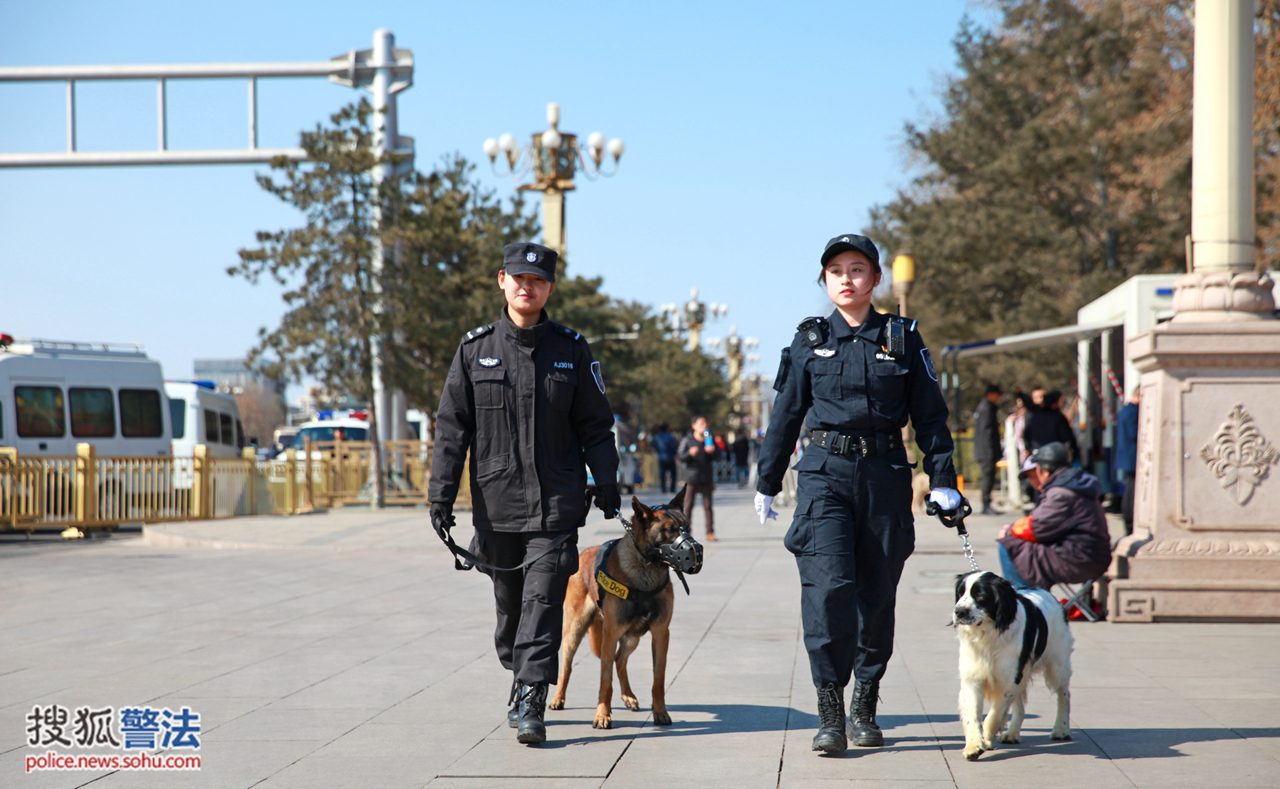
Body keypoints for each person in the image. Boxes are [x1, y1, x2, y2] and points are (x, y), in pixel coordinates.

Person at [753, 233, 960, 754]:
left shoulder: (902, 337)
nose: (847, 278)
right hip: (824, 476)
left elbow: (931, 417)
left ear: (875, 279)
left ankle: (863, 703)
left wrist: (943, 482)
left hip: (885, 475)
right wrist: (768, 480)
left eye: (858, 269)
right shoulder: (809, 339)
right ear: (824, 280)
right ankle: (830, 708)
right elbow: (786, 414)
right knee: (827, 590)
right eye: (837, 270)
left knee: (875, 593)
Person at [428, 242, 620, 746]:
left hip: (557, 504)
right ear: (502, 281)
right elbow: (452, 429)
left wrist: (607, 483)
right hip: (497, 504)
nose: (526, 286)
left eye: (537, 280)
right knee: (510, 606)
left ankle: (534, 693)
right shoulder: (474, 350)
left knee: (543, 597)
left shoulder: (571, 350)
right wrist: (440, 496)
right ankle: (520, 673)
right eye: (518, 278)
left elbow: (596, 427)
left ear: (549, 288)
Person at [997, 441, 1111, 590]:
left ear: (1044, 472)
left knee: (1008, 546)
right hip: (1087, 555)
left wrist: (1009, 531)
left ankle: (1025, 602)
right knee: (1029, 550)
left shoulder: (1061, 493)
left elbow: (1038, 527)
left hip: (1079, 559)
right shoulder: (1072, 485)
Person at [678, 415, 719, 541]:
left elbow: (719, 457)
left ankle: (710, 532)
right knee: (688, 506)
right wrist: (690, 454)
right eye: (701, 423)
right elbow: (680, 456)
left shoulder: (709, 439)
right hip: (692, 478)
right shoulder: (687, 440)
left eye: (705, 423)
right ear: (694, 426)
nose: (704, 426)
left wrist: (712, 452)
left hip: (706, 477)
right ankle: (685, 532)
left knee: (708, 507)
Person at [1024, 389, 1080, 462]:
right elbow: (1067, 437)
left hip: (1037, 454)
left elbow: (1027, 433)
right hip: (1056, 454)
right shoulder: (1058, 417)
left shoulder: (1034, 416)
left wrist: (1028, 448)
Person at [971, 383, 1002, 516]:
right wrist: (989, 451)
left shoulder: (986, 407)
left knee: (989, 477)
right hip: (986, 451)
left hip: (985, 449)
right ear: (991, 395)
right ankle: (986, 504)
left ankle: (987, 503)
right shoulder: (987, 408)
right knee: (987, 478)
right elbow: (986, 432)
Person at [1114, 387, 1140, 535]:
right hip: (1132, 456)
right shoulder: (1133, 411)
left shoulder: (1125, 410)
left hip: (1127, 457)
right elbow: (1133, 433)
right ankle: (1130, 523)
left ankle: (1129, 522)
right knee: (1131, 493)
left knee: (1130, 490)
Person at [652, 424, 678, 494]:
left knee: (662, 474)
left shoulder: (657, 437)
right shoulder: (670, 436)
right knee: (673, 475)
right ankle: (672, 489)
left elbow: (655, 447)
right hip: (670, 458)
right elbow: (674, 446)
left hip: (661, 458)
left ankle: (663, 489)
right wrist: (675, 454)